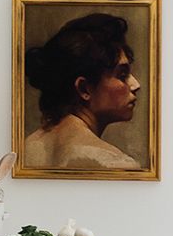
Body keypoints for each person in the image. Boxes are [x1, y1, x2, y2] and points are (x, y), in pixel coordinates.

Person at [24, 13, 141, 171]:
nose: (136, 85)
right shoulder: (117, 165)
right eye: (122, 75)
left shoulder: (25, 149)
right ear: (84, 88)